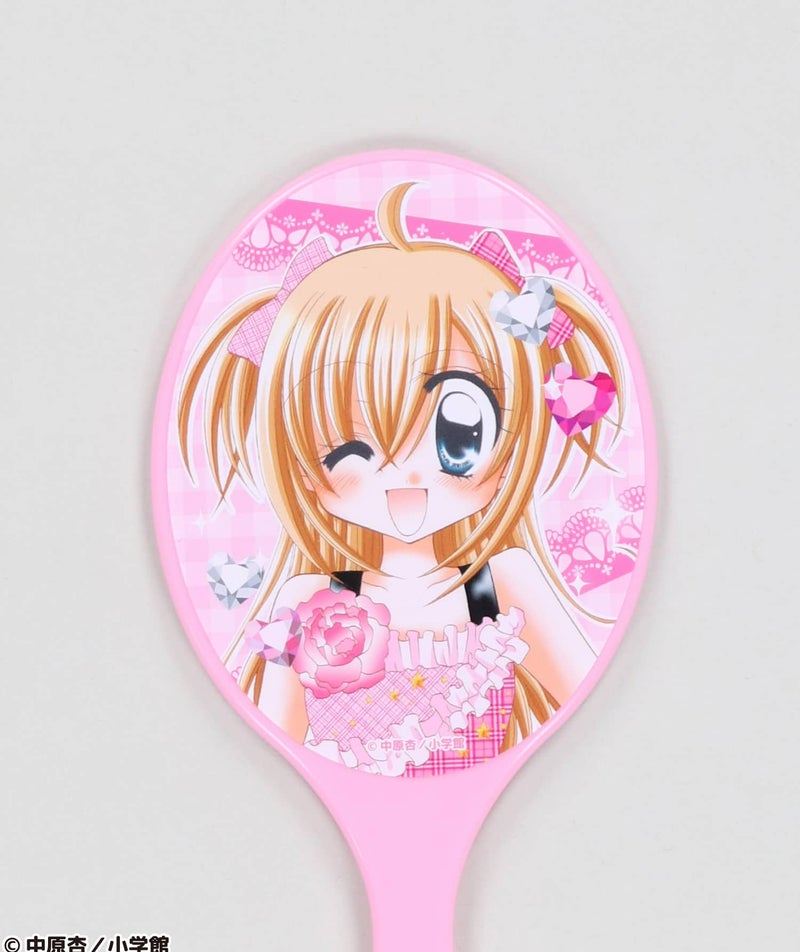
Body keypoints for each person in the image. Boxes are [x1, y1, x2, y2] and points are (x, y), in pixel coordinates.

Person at [178, 182, 624, 776]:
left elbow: (591, 708)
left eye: (458, 434)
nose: (405, 478)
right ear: (302, 468)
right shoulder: (307, 602)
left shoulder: (503, 589)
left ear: (512, 444)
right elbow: (276, 747)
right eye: (349, 447)